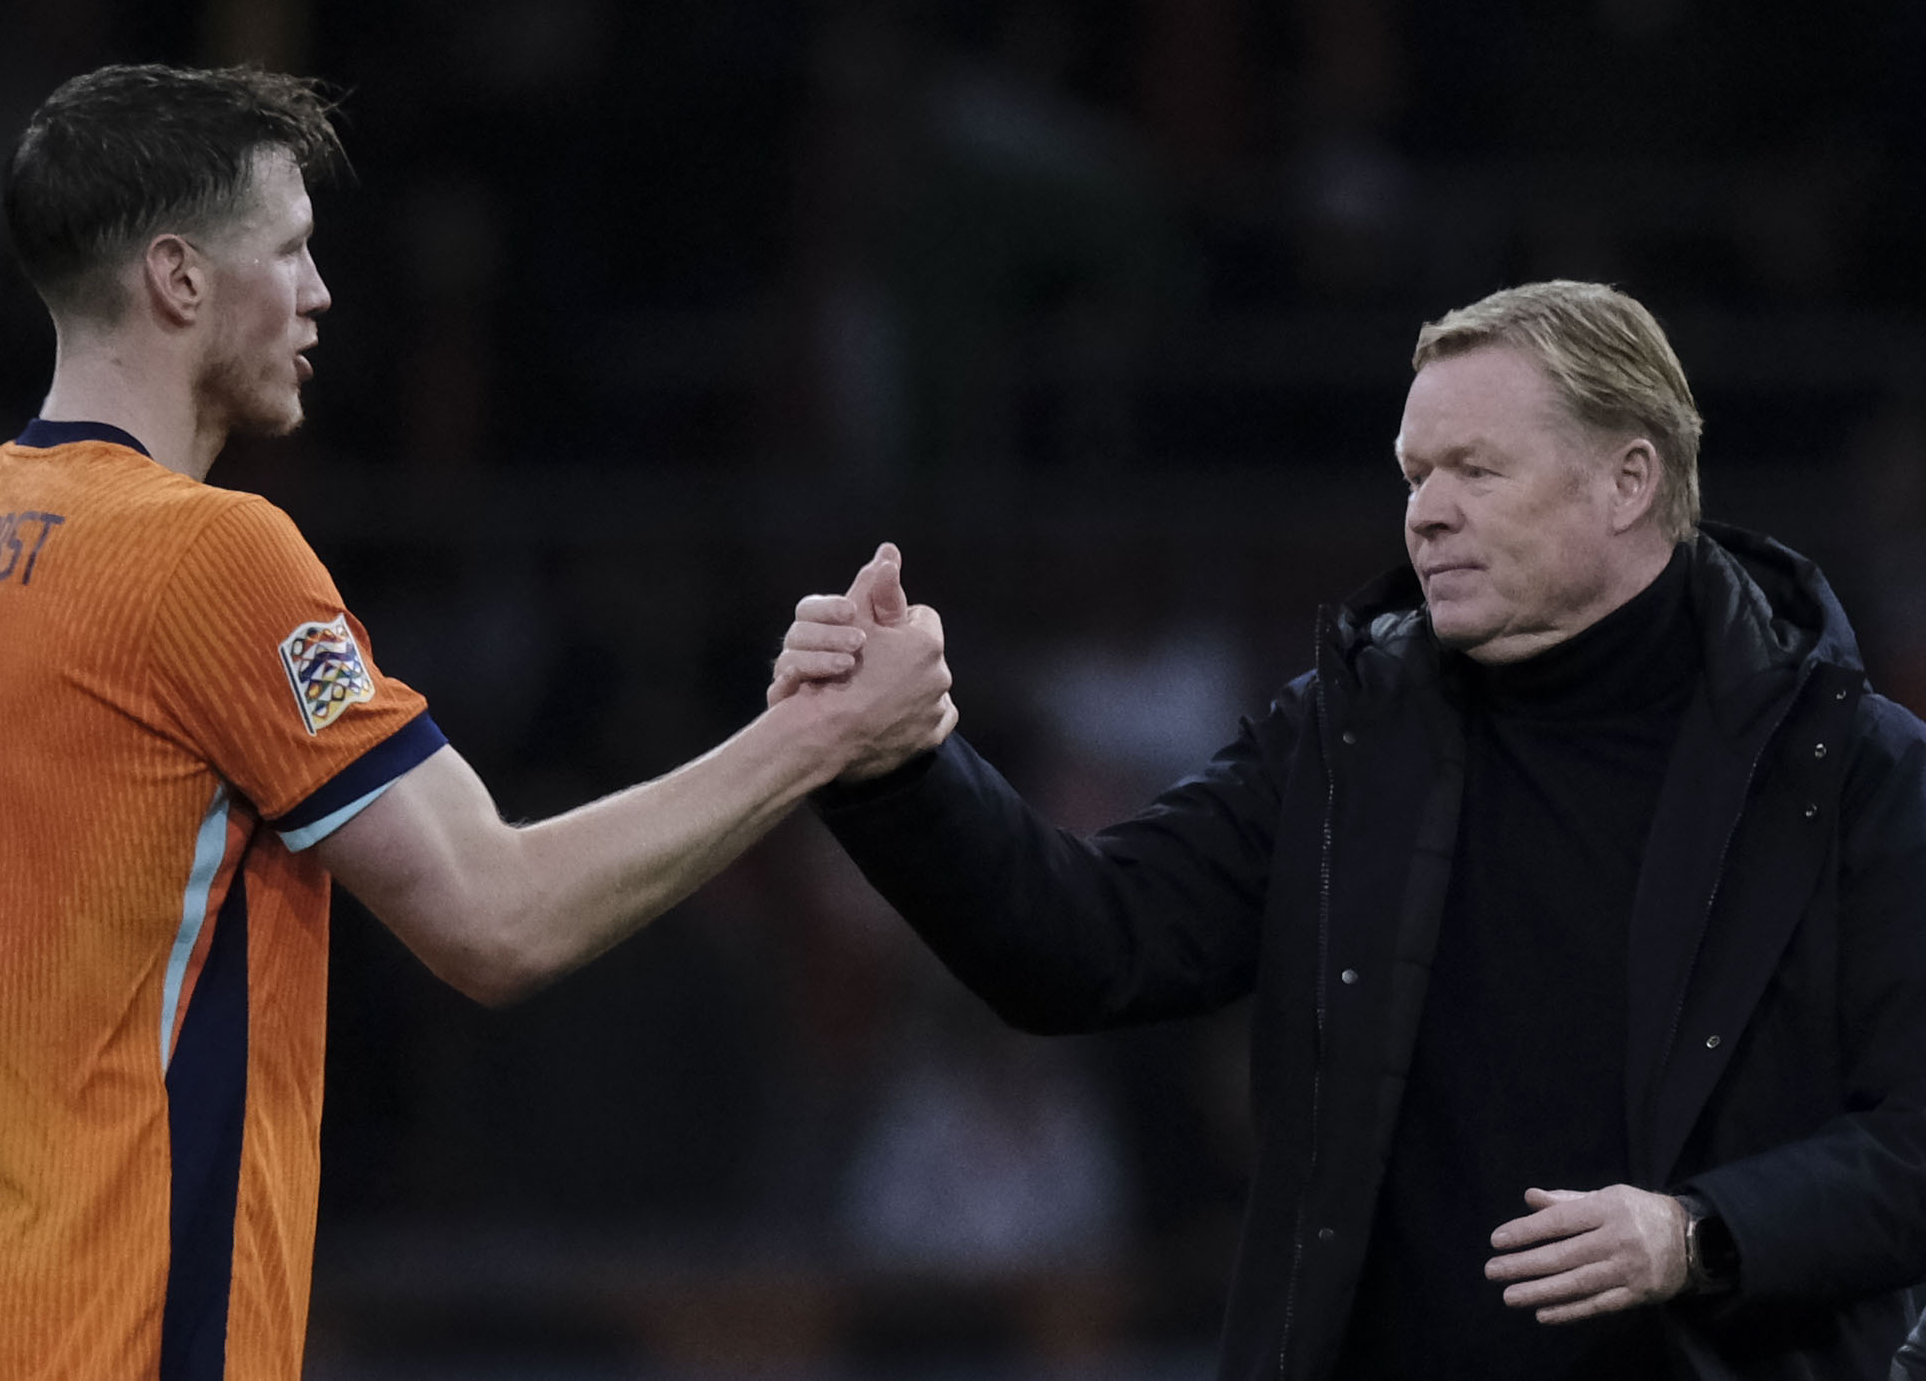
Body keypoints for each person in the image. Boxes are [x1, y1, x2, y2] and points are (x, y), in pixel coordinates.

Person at [0, 64, 954, 1381]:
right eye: (295, 251)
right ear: (180, 279)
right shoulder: (207, 557)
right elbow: (496, 914)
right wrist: (821, 734)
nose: (321, 294)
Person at [772, 280, 1926, 1379]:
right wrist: (901, 768)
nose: (1425, 511)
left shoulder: (1851, 773)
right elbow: (1086, 940)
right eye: (1414, 474)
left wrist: (1696, 1233)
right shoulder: (1347, 742)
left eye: (1475, 468)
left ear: (1626, 481)